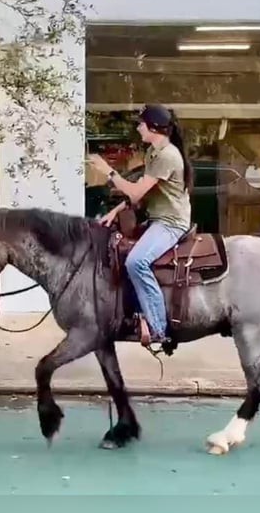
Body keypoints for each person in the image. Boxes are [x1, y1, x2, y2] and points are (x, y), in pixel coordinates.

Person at [87, 104, 193, 346]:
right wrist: (114, 212)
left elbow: (135, 193)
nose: (138, 127)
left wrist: (108, 171)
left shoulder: (167, 155)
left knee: (137, 261)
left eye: (141, 124)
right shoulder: (154, 153)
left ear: (154, 128)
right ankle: (133, 315)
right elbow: (143, 195)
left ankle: (158, 328)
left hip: (171, 223)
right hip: (158, 219)